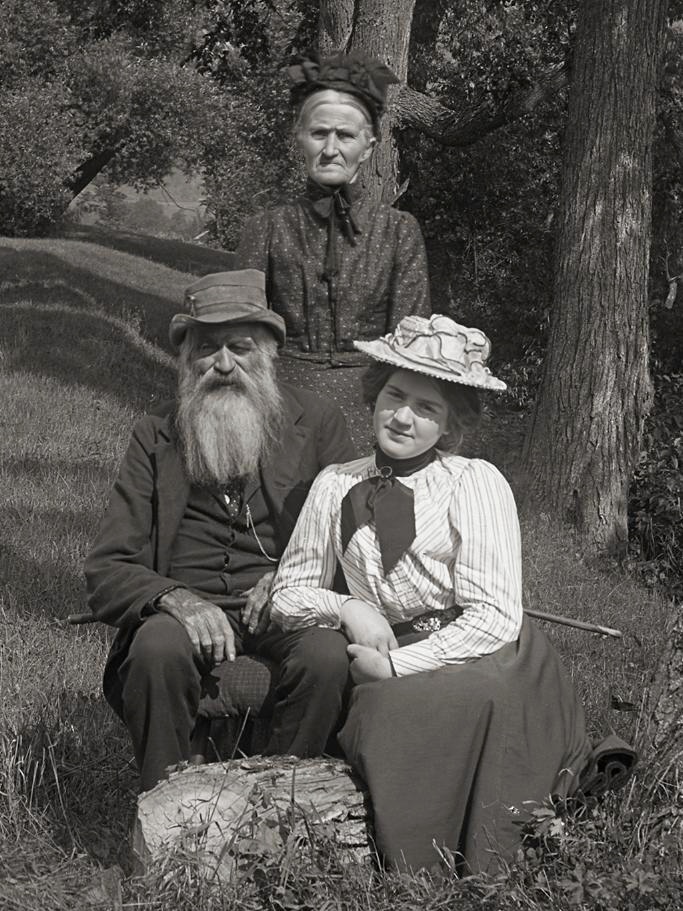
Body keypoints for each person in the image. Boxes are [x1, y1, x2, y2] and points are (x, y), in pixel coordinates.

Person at [266, 314, 594, 873]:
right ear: (374, 393)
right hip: (385, 648)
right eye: (394, 395)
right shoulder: (335, 484)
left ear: (450, 426)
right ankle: (412, 852)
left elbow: (494, 616)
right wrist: (347, 604)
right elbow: (287, 594)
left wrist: (397, 666)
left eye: (426, 408)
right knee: (386, 713)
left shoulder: (474, 482)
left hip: (487, 651)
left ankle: (495, 847)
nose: (402, 416)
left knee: (476, 694)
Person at [84, 269, 356, 792]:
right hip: (182, 611)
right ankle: (166, 807)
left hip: (288, 605)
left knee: (325, 656)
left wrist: (289, 581)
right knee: (156, 647)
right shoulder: (156, 433)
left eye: (241, 347)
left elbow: (351, 542)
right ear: (187, 358)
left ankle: (284, 800)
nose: (224, 365)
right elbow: (107, 565)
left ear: (270, 351)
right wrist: (175, 599)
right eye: (208, 349)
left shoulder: (318, 423)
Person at [235, 50, 431, 449]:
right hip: (279, 405)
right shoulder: (266, 229)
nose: (330, 148)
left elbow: (410, 350)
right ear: (300, 138)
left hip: (371, 410)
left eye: (345, 135)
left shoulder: (399, 232)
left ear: (369, 146)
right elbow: (241, 339)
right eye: (319, 133)